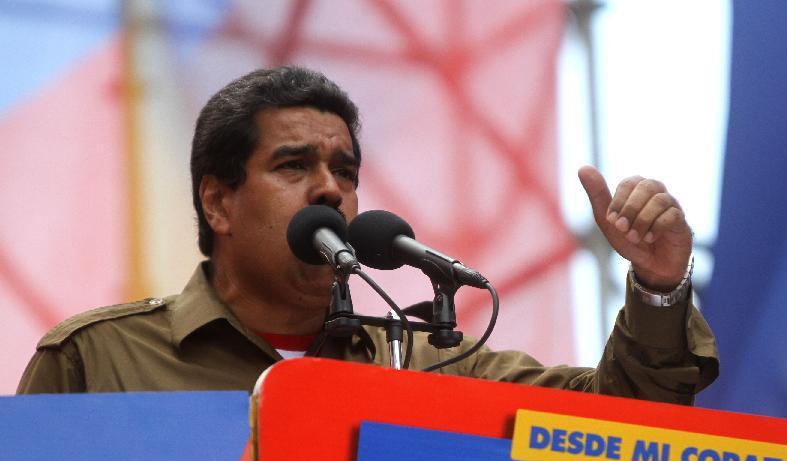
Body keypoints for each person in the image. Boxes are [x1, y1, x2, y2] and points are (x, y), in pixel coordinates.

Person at [17, 66, 718, 403]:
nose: (331, 188)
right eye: (294, 165)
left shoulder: (428, 363)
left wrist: (658, 287)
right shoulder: (96, 363)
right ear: (219, 203)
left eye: (344, 170)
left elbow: (621, 422)